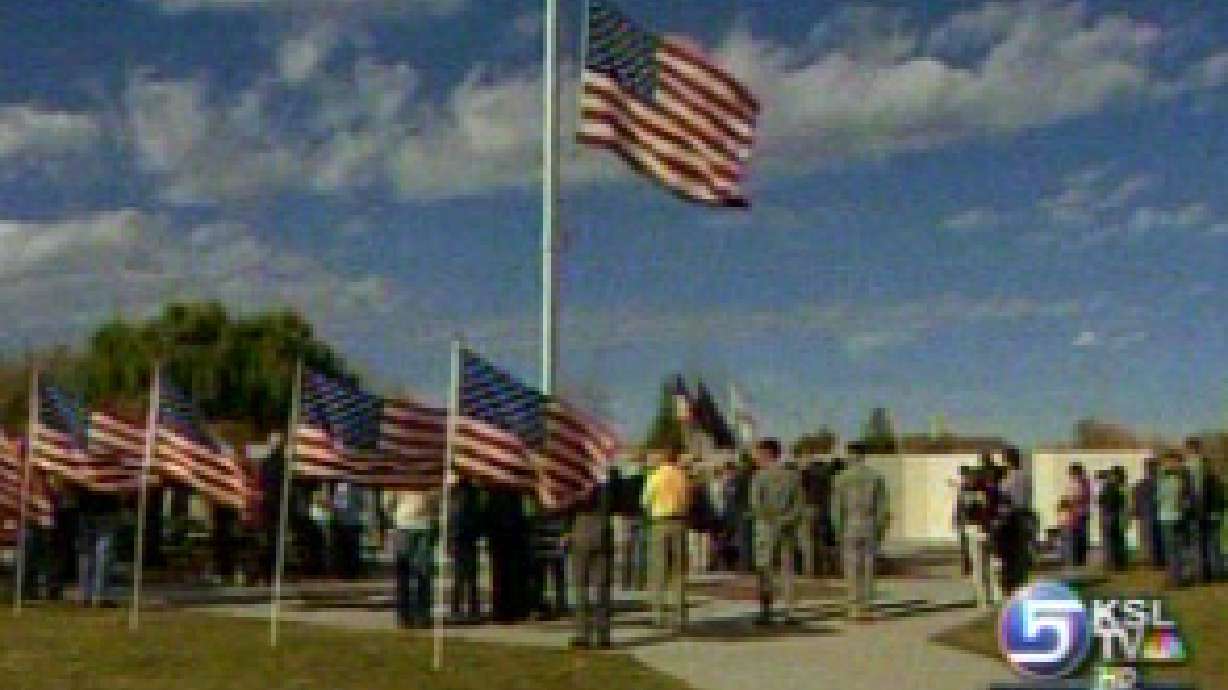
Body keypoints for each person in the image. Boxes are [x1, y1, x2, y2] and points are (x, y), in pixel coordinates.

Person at [831, 442, 889, 621]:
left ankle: (854, 603)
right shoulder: (876, 477)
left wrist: (837, 529)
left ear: (850, 455)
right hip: (870, 523)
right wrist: (880, 528)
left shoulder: (841, 478)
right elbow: (883, 507)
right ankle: (867, 604)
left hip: (850, 523)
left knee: (851, 565)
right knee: (869, 565)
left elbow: (837, 507)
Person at [750, 438, 803, 625]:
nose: (755, 457)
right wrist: (786, 519)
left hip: (766, 528)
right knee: (787, 570)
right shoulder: (793, 476)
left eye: (758, 453)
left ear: (766, 454)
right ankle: (790, 611)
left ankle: (766, 612)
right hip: (787, 528)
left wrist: (771, 520)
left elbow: (756, 504)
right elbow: (799, 505)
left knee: (765, 570)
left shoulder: (759, 477)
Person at [641, 448, 691, 632]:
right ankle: (680, 615)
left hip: (660, 522)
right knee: (678, 571)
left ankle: (658, 614)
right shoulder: (682, 476)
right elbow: (687, 500)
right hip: (679, 522)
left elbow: (645, 500)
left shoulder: (655, 476)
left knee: (658, 570)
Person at [383, 486, 438, 628]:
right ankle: (405, 616)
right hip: (403, 525)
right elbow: (388, 501)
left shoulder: (429, 475)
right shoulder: (399, 476)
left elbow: (436, 499)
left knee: (423, 573)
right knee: (404, 573)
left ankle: (422, 615)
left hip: (423, 525)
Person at [570, 474, 614, 649]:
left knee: (581, 585)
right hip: (603, 529)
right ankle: (603, 634)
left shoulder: (578, 479)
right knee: (602, 586)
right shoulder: (607, 482)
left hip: (582, 527)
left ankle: (582, 633)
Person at [967, 455, 1004, 609]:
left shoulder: (973, 492)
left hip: (978, 529)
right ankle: (996, 596)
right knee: (993, 565)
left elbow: (968, 512)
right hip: (990, 530)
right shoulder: (996, 491)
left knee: (980, 566)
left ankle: (984, 599)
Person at [1157, 452, 1194, 587]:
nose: (1165, 465)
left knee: (1174, 549)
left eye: (1168, 462)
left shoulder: (1180, 478)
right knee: (1172, 549)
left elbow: (1184, 498)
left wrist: (1182, 510)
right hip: (1167, 516)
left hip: (1174, 517)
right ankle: (1174, 576)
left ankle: (1176, 578)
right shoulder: (1166, 478)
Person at [999, 448, 1033, 594]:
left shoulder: (1008, 479)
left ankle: (1010, 586)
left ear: (1008, 461)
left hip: (1011, 517)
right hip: (1024, 515)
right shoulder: (1026, 477)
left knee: (1010, 554)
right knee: (1021, 553)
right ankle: (1021, 584)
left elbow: (1004, 497)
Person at [449, 479, 483, 622]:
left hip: (465, 537)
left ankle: (468, 609)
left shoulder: (462, 494)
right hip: (462, 537)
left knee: (466, 576)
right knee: (465, 576)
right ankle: (464, 609)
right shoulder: (459, 494)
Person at [1060, 464, 1092, 568]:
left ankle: (1077, 561)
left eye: (1072, 473)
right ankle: (1076, 560)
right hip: (1075, 514)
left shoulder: (1082, 483)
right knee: (1076, 538)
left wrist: (1068, 502)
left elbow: (1079, 498)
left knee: (1077, 539)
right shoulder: (1078, 483)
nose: (1071, 475)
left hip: (1078, 514)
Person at [1133, 459, 1163, 568]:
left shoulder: (1140, 485)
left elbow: (1136, 501)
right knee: (1155, 538)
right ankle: (1156, 560)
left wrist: (1136, 513)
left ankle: (1152, 560)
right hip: (1155, 514)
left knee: (1148, 539)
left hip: (1147, 515)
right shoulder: (1160, 483)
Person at [331, 482, 364, 579]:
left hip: (343, 523)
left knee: (344, 549)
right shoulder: (357, 488)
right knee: (353, 550)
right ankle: (352, 572)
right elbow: (361, 504)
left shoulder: (341, 487)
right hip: (353, 523)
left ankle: (344, 572)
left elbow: (338, 507)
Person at [1197, 464, 1224, 582]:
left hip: (1207, 516)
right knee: (1214, 545)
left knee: (1208, 545)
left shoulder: (1206, 482)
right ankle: (1216, 572)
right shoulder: (1217, 482)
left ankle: (1209, 573)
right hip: (1214, 516)